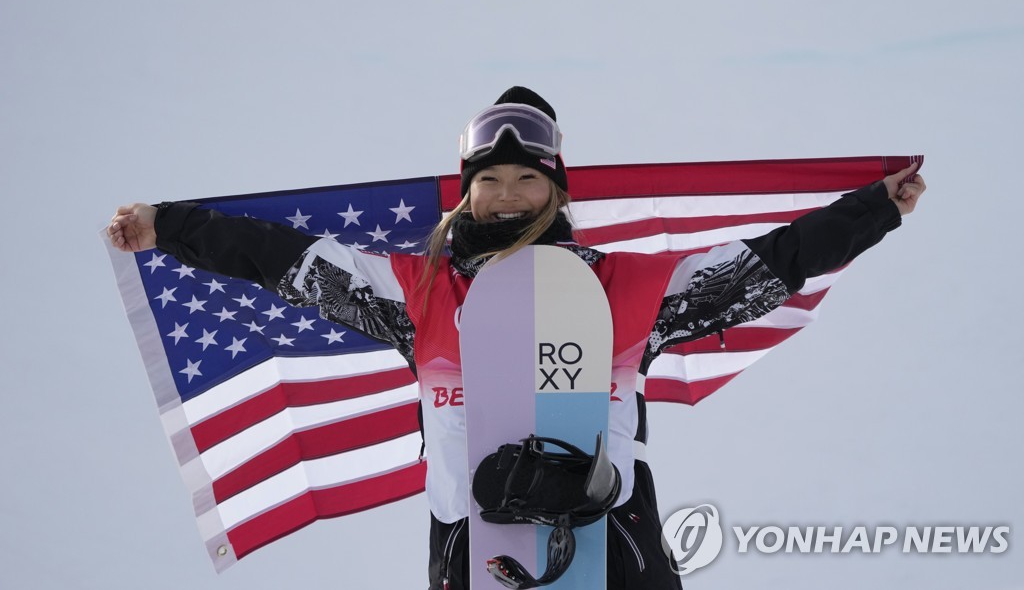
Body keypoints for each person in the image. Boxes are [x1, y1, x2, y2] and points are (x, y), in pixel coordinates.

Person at [108, 86, 926, 589]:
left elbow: (766, 265)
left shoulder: (624, 286)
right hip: (468, 537)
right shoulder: (413, 292)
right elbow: (282, 258)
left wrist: (875, 207)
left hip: (618, 540)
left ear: (554, 186)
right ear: (466, 195)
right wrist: (169, 228)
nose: (505, 193)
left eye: (526, 176)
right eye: (488, 180)